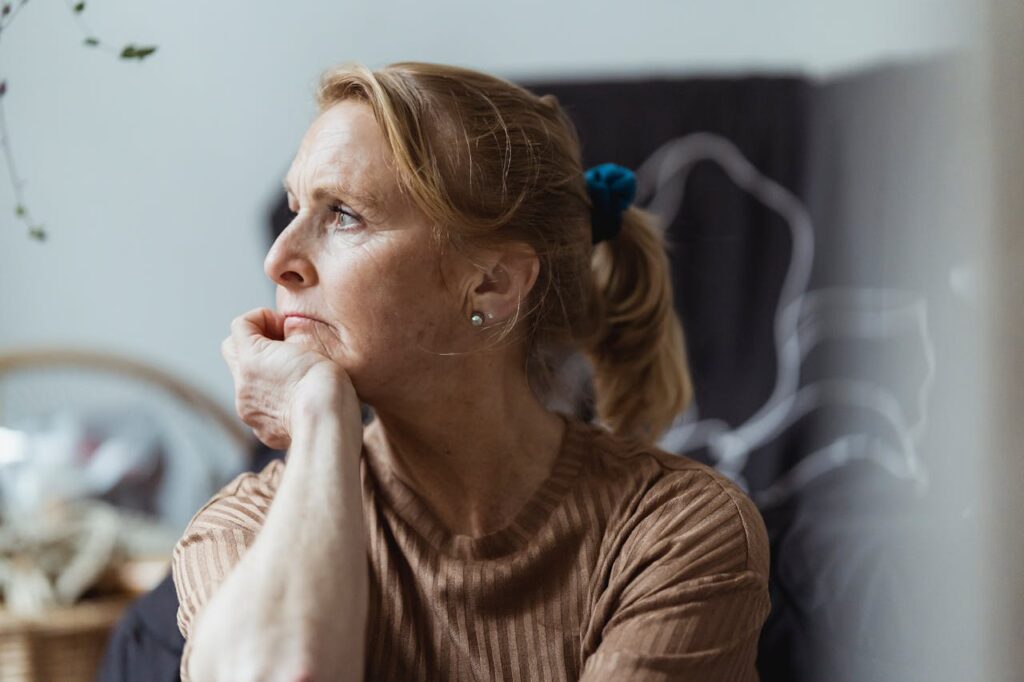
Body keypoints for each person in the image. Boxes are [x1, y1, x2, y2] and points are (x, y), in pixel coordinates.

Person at [171, 61, 771, 682]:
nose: (279, 259)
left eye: (343, 214)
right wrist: (321, 415)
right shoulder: (243, 530)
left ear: (491, 282)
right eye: (296, 208)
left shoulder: (679, 533)